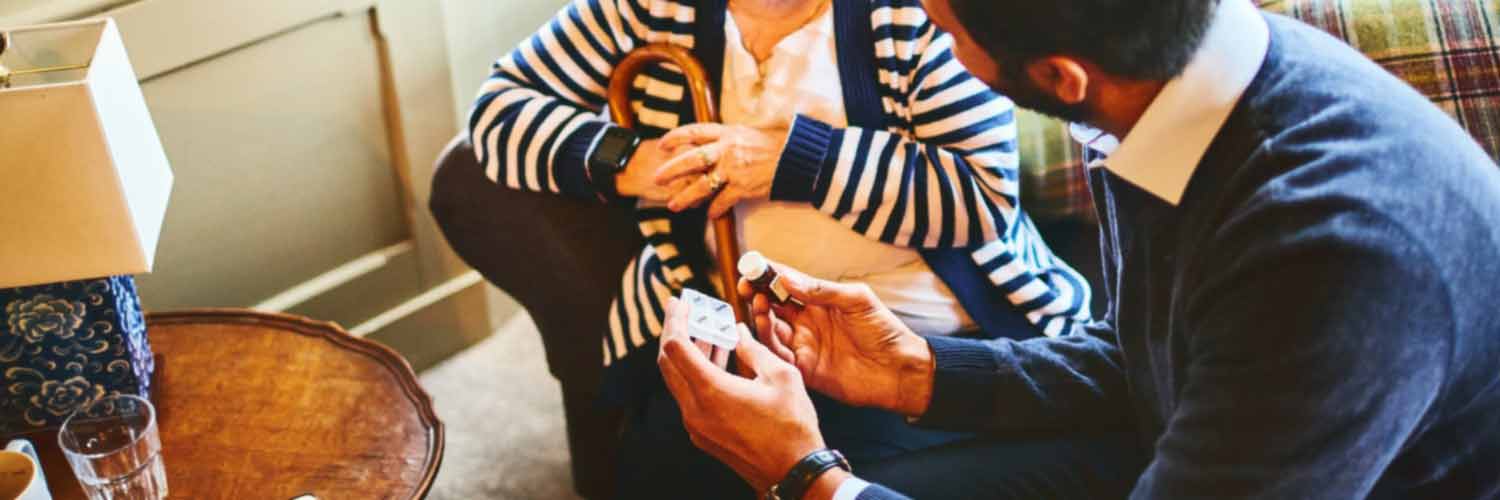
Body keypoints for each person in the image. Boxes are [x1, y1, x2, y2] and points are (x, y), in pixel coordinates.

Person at [655, 0, 1500, 498]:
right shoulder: (1200, 75)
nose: (939, 46)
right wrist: (920, 370)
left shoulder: (1332, 255)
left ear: (1060, 78)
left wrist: (807, 477)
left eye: (950, 34)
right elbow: (1156, 348)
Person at [441, 0, 1140, 497]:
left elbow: (981, 196)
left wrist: (790, 161)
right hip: (743, 330)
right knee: (667, 468)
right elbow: (499, 112)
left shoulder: (916, 14)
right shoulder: (645, 9)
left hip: (952, 333)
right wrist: (630, 160)